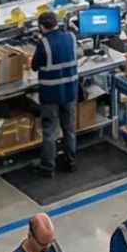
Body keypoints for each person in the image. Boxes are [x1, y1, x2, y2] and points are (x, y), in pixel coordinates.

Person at [30, 9, 80, 175]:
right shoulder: (71, 37)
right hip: (70, 91)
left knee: (50, 131)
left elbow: (34, 66)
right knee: (69, 127)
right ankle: (71, 161)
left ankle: (47, 167)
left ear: (42, 27)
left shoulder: (43, 44)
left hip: (51, 94)